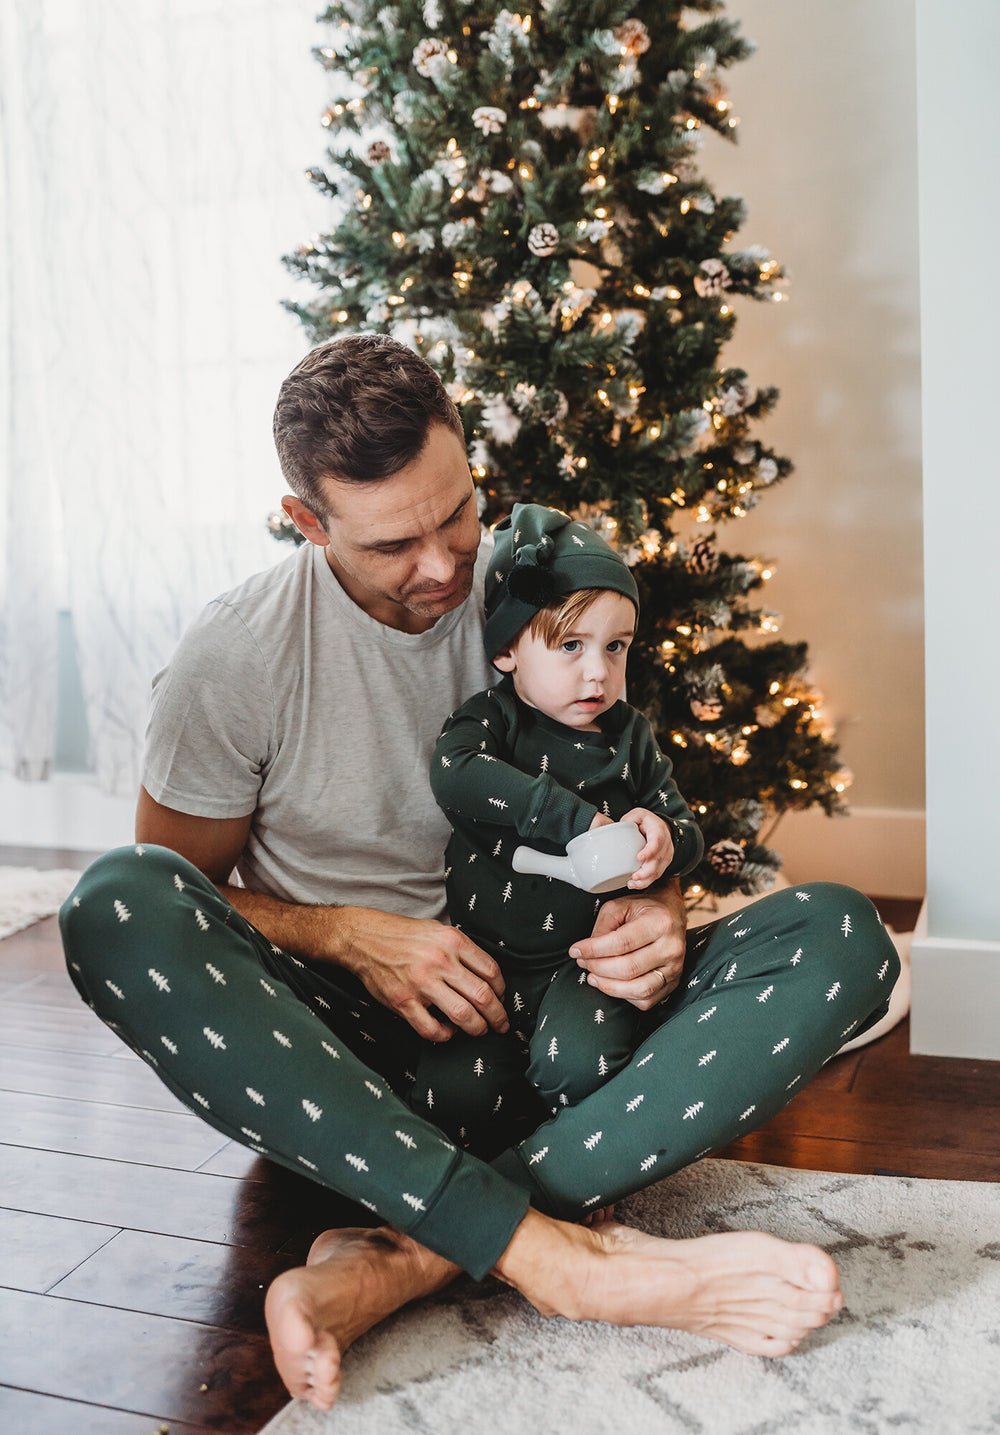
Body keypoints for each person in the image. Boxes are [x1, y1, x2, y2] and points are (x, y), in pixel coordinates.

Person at [58, 333, 900, 1413]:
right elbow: (184, 892)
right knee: (112, 903)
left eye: (457, 513)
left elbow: (638, 811)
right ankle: (564, 1260)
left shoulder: (546, 590)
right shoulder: (236, 657)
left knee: (842, 939)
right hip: (358, 1050)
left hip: (562, 1005)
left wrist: (655, 907)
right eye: (393, 543)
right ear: (306, 522)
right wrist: (350, 934)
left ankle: (404, 1256)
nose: (446, 566)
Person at [410, 501, 705, 1150]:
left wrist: (663, 838)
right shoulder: (489, 722)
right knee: (453, 1095)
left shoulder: (630, 737)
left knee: (583, 1066)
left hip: (583, 962)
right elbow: (456, 774)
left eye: (616, 647)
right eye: (570, 646)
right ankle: (489, 1178)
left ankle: (573, 1166)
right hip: (480, 956)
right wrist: (573, 818)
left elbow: (685, 827)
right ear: (510, 649)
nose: (597, 671)